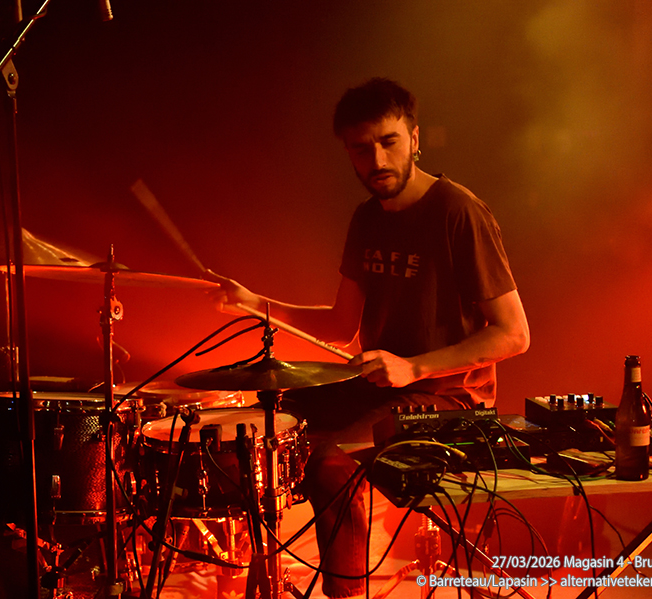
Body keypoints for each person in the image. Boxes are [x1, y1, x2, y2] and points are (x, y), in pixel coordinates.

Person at [210, 77, 529, 598]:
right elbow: (342, 326)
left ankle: (347, 595)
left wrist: (414, 366)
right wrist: (254, 303)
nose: (377, 160)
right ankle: (262, 580)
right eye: (362, 149)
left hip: (450, 397)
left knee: (329, 460)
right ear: (349, 154)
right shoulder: (366, 219)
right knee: (266, 428)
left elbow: (514, 334)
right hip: (381, 388)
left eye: (389, 142)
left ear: (415, 138)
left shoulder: (458, 212)